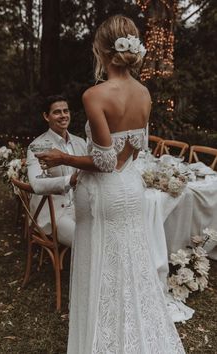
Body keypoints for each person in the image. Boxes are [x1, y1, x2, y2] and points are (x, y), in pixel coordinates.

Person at [37, 16, 185, 354]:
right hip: (131, 190)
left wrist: (64, 158)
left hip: (104, 195)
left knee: (101, 267)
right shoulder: (144, 93)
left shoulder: (95, 95)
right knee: (131, 266)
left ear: (102, 50)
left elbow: (105, 163)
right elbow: (127, 155)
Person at [27, 95, 86, 247]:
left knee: (105, 231)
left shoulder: (80, 143)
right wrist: (69, 180)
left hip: (82, 207)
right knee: (86, 243)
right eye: (57, 112)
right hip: (55, 215)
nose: (63, 115)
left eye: (66, 111)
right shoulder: (38, 146)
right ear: (46, 116)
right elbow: (37, 184)